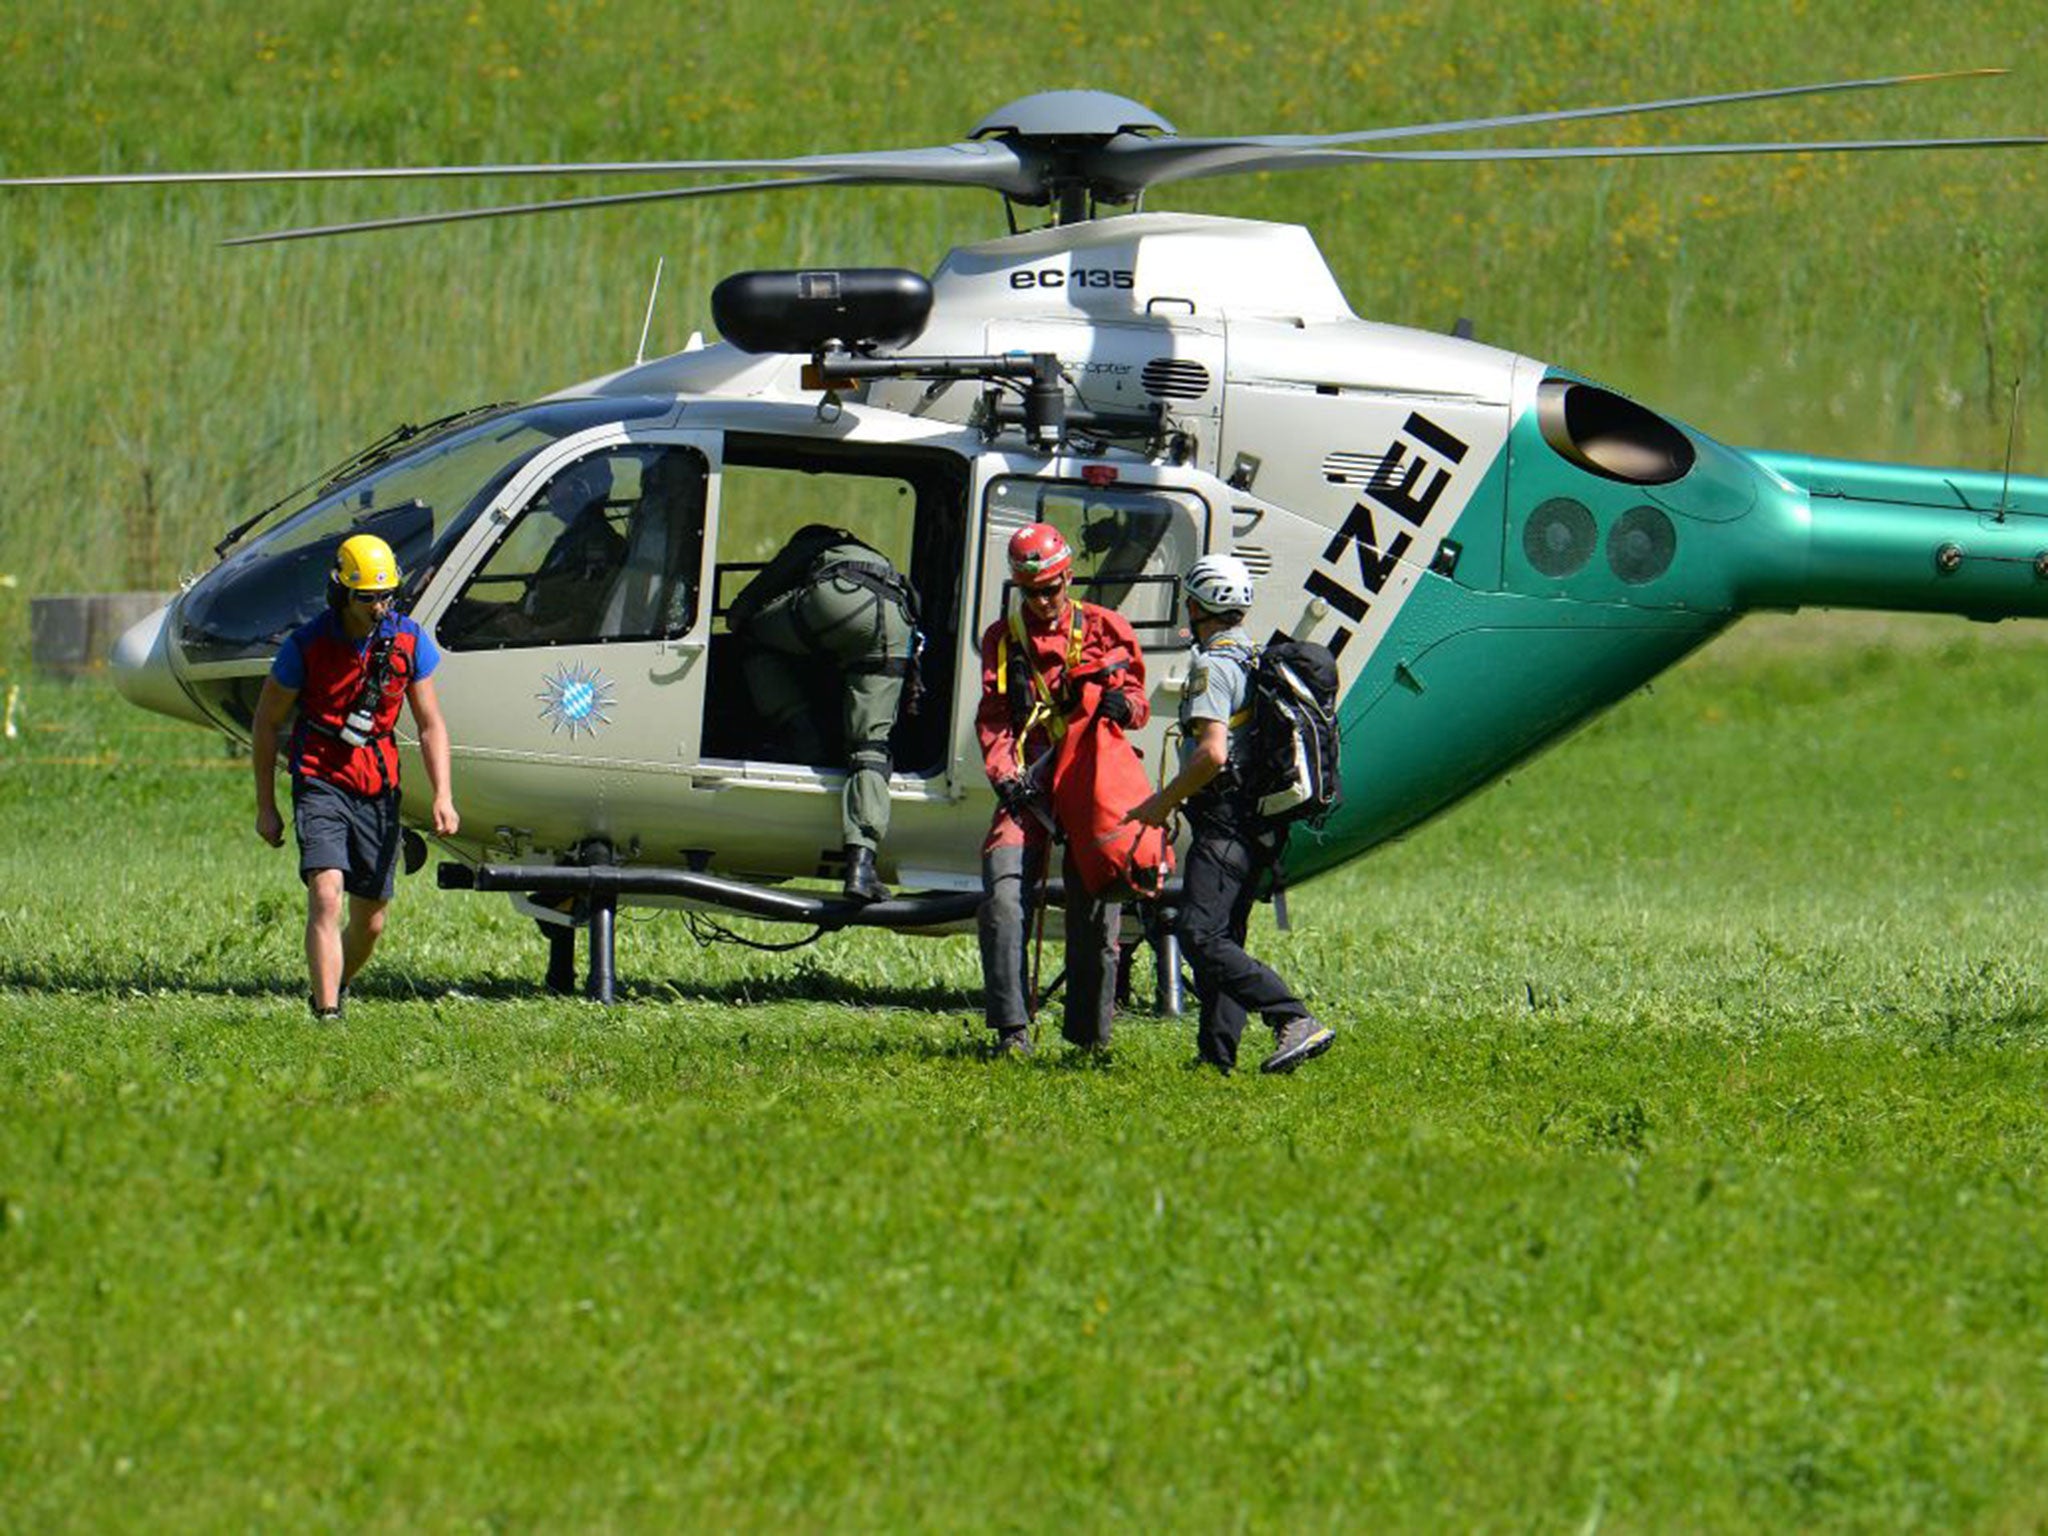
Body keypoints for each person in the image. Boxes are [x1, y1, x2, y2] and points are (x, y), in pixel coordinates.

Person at [1128, 554, 1333, 1074]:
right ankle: (1215, 1057)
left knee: (1200, 934)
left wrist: (1163, 802)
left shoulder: (1213, 666)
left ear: (1199, 606)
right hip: (1258, 823)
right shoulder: (1251, 655)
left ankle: (1292, 1018)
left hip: (1224, 820)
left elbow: (1212, 753)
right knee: (1226, 934)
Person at [252, 534, 459, 1020]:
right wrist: (267, 805)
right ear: (341, 593)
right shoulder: (305, 647)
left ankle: (334, 982)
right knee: (326, 893)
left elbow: (431, 725)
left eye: (386, 595)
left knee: (371, 922)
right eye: (367, 596)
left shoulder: (409, 642)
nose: (379, 606)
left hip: (379, 787)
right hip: (321, 780)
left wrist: (443, 796)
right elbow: (266, 721)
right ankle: (327, 1016)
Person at [977, 522, 1150, 1056]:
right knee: (1004, 896)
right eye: (1031, 592)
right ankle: (1012, 1031)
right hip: (1029, 784)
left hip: (1091, 780)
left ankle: (1089, 1040)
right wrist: (1005, 775)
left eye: (1051, 588)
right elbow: (995, 717)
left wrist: (1123, 706)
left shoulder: (1103, 626)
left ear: (1068, 577)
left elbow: (1137, 701)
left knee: (1096, 909)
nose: (1043, 600)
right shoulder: (1003, 639)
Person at [726, 524, 919, 902]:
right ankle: (861, 865)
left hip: (841, 599)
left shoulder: (813, 545)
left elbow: (746, 605)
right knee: (871, 748)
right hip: (896, 618)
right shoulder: (874, 556)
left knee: (751, 637)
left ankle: (801, 735)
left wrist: (745, 616)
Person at [524, 459, 627, 639]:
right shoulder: (570, 538)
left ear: (581, 489)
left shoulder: (597, 546)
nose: (549, 495)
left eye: (555, 486)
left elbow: (587, 618)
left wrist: (533, 634)